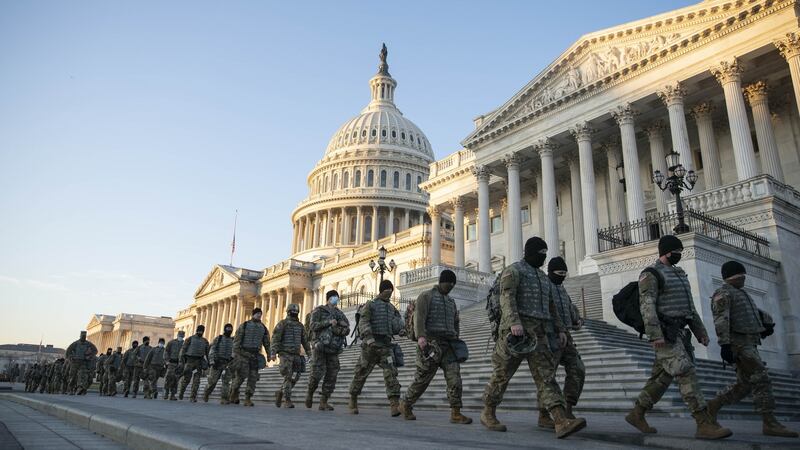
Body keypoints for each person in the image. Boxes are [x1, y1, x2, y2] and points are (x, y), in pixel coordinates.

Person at [625, 235, 731, 440]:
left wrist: (700, 331)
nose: (679, 255)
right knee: (685, 371)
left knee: (662, 377)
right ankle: (703, 423)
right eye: (677, 251)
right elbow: (647, 306)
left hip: (681, 333)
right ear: (666, 251)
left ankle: (637, 413)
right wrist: (655, 334)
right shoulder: (651, 274)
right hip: (665, 334)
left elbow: (689, 307)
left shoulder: (680, 274)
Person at [481, 237, 586, 439]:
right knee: (502, 374)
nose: (543, 258)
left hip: (540, 333)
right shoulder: (514, 271)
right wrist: (514, 322)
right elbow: (507, 297)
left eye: (545, 255)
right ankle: (488, 411)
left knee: (546, 376)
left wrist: (561, 329)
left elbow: (552, 307)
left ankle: (559, 419)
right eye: (540, 254)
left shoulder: (543, 278)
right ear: (530, 252)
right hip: (516, 333)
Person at [706, 261, 797, 438]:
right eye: (741, 275)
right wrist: (724, 345)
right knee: (761, 379)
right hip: (739, 345)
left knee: (745, 385)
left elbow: (751, 313)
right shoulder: (723, 293)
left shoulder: (740, 293)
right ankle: (769, 422)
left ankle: (713, 405)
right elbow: (721, 320)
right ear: (734, 275)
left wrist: (764, 325)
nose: (744, 278)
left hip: (749, 343)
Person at [400, 269, 472, 424]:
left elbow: (455, 323)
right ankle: (405, 404)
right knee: (422, 380)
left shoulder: (451, 302)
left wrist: (456, 339)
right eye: (449, 283)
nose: (451, 286)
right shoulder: (426, 296)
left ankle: (456, 412)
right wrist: (421, 337)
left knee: (455, 378)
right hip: (430, 345)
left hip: (448, 346)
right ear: (442, 281)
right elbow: (420, 317)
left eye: (453, 284)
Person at [537, 257, 585, 429]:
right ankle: (544, 414)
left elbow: (570, 306)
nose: (562, 277)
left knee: (578, 368)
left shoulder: (562, 288)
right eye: (559, 274)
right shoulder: (544, 287)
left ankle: (568, 408)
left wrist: (577, 319)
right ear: (551, 273)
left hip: (566, 337)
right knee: (548, 377)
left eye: (565, 274)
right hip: (550, 337)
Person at [348, 279, 404, 416]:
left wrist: (401, 330)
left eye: (391, 291)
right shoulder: (371, 305)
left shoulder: (392, 308)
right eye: (387, 291)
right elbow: (364, 321)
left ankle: (394, 404)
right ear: (382, 290)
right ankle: (353, 399)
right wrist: (369, 337)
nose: (390, 293)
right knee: (361, 373)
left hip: (386, 346)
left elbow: (396, 324)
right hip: (370, 346)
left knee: (391, 373)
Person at [305, 290, 350, 411]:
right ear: (330, 298)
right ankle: (310, 393)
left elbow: (347, 328)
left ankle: (323, 401)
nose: (337, 300)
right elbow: (312, 326)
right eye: (335, 297)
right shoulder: (319, 311)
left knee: (332, 374)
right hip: (320, 346)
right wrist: (328, 322)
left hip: (334, 348)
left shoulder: (339, 313)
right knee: (316, 374)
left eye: (337, 298)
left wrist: (341, 326)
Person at [229, 308, 271, 406]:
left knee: (253, 378)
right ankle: (234, 392)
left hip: (255, 355)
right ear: (253, 314)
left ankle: (248, 398)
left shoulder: (263, 328)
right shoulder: (244, 325)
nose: (259, 315)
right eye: (257, 314)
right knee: (240, 377)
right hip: (243, 354)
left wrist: (269, 354)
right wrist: (235, 354)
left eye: (260, 314)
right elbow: (237, 340)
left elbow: (267, 343)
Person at [271, 304, 311, 408]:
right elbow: (275, 339)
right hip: (285, 354)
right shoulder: (282, 324)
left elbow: (305, 341)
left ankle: (280, 392)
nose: (294, 312)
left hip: (296, 355)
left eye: (296, 311)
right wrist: (273, 353)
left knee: (297, 376)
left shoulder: (300, 326)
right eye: (293, 311)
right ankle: (287, 400)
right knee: (288, 376)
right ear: (288, 312)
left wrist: (309, 353)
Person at [204, 323, 234, 403]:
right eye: (228, 329)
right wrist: (212, 361)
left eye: (231, 329)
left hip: (227, 364)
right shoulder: (219, 338)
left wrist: (232, 360)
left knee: (226, 382)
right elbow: (212, 350)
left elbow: (234, 352)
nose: (229, 330)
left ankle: (224, 399)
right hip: (217, 363)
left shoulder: (232, 340)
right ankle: (206, 393)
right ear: (225, 329)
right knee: (212, 382)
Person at [179, 325, 210, 402]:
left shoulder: (205, 341)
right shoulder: (190, 339)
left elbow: (208, 353)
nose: (200, 332)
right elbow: (183, 350)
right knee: (186, 379)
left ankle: (193, 397)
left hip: (199, 363)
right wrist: (181, 361)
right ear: (197, 330)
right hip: (190, 361)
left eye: (202, 331)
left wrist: (209, 362)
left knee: (196, 381)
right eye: (199, 330)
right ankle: (181, 392)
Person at [64, 331, 98, 395]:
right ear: (80, 336)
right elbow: (68, 352)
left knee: (83, 376)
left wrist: (90, 356)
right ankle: (71, 389)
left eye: (85, 336)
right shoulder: (75, 344)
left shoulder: (88, 344)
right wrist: (70, 358)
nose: (83, 337)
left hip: (83, 362)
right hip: (75, 362)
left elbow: (95, 350)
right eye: (82, 336)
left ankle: (81, 388)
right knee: (73, 376)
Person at [163, 331, 184, 400]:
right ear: (177, 335)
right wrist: (167, 361)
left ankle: (172, 394)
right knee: (168, 378)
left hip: (179, 364)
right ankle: (166, 392)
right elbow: (166, 351)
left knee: (176, 380)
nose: (181, 337)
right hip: (171, 363)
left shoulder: (184, 344)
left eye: (182, 335)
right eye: (180, 335)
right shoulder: (171, 342)